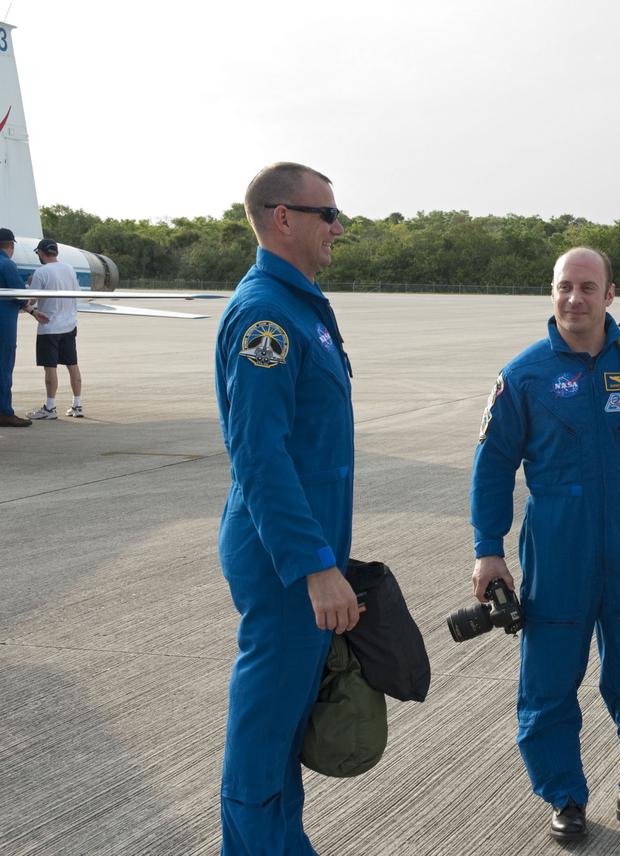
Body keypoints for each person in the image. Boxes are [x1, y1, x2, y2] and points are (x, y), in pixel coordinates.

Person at [471, 247, 620, 843]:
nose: (575, 298)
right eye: (564, 287)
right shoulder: (525, 375)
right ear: (552, 293)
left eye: (587, 287)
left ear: (610, 294)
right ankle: (564, 797)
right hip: (557, 539)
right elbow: (492, 467)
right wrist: (487, 547)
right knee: (548, 681)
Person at [214, 162, 358, 855]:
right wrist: (313, 567)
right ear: (282, 218)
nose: (339, 227)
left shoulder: (299, 304)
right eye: (327, 214)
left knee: (285, 728)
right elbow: (260, 457)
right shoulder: (266, 316)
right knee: (264, 732)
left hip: (303, 552)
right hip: (283, 564)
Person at [24, 239, 83, 419]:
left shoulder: (41, 272)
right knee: (72, 365)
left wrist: (29, 284)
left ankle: (50, 407)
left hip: (49, 326)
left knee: (50, 367)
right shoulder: (69, 269)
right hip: (69, 325)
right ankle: (77, 404)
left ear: (41, 253)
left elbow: (31, 299)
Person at [0, 227, 32, 427]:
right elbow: (21, 295)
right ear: (10, 246)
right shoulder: (7, 265)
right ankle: (4, 412)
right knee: (3, 367)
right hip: (4, 325)